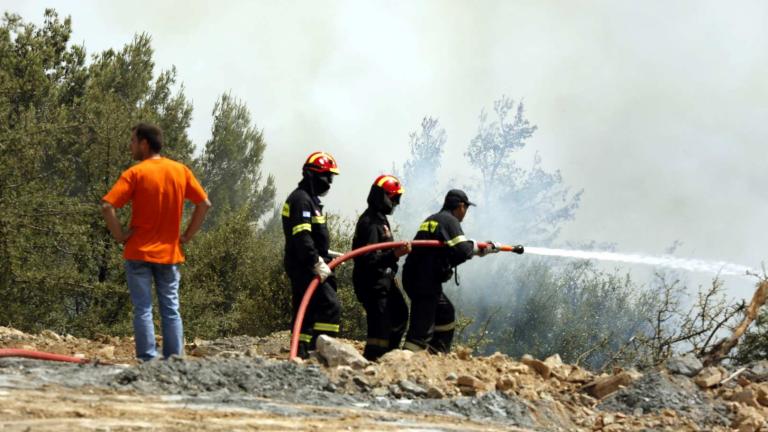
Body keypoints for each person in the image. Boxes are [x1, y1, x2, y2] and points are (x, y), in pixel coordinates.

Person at [101, 123, 211, 361]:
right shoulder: (180, 171)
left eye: (132, 141)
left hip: (138, 252)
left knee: (143, 310)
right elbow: (204, 204)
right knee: (171, 310)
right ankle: (175, 359)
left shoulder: (135, 173)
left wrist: (120, 235)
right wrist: (187, 236)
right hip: (170, 254)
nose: (130, 146)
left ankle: (148, 359)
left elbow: (107, 206)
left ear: (144, 143)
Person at [401, 189, 500, 353]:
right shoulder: (449, 220)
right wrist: (483, 249)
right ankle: (403, 362)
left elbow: (450, 251)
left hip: (417, 277)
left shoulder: (433, 219)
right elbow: (462, 249)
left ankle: (436, 354)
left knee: (445, 312)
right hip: (424, 281)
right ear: (460, 206)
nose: (465, 213)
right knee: (421, 328)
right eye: (466, 208)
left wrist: (478, 249)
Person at [281, 151, 341, 358]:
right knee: (329, 305)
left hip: (309, 262)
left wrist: (326, 253)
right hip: (304, 265)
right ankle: (322, 353)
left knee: (306, 311)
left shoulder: (310, 201)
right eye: (326, 177)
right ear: (312, 175)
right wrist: (316, 261)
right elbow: (301, 236)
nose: (329, 183)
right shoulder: (301, 200)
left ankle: (302, 353)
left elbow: (313, 237)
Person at [352, 175, 411, 361]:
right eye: (394, 198)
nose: (396, 203)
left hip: (384, 281)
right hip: (371, 283)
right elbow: (368, 258)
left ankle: (388, 357)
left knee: (400, 315)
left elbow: (381, 252)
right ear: (382, 195)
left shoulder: (381, 220)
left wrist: (392, 259)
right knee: (380, 328)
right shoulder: (369, 222)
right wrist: (394, 255)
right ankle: (373, 361)